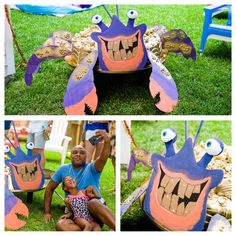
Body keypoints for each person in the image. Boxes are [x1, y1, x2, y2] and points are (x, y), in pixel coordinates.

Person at [43, 130, 115, 231]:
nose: (78, 154)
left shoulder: (92, 168)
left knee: (92, 202)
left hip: (94, 209)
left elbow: (103, 158)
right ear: (71, 156)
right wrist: (47, 212)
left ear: (86, 157)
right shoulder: (63, 169)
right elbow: (49, 189)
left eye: (82, 153)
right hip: (77, 213)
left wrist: (107, 141)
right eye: (75, 152)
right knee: (61, 225)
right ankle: (91, 228)